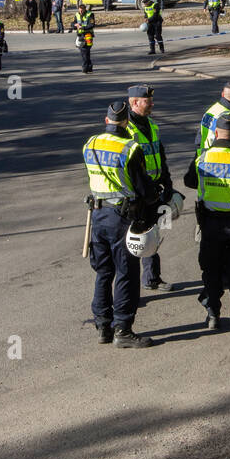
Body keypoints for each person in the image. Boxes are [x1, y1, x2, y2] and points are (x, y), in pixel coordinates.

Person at [83, 100, 162, 348]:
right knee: (126, 273)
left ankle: (103, 325)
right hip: (122, 217)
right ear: (126, 123)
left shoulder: (90, 144)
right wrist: (156, 195)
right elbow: (142, 189)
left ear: (106, 121)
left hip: (97, 215)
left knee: (104, 272)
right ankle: (123, 330)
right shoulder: (130, 148)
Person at [184, 112, 230, 331]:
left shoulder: (202, 157)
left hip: (211, 224)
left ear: (216, 133)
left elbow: (189, 181)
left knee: (212, 270)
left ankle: (213, 315)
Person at [127, 83, 174, 294]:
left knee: (152, 236)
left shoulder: (152, 125)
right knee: (133, 241)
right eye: (148, 101)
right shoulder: (126, 128)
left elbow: (160, 155)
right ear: (135, 102)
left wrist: (168, 182)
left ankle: (152, 278)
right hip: (136, 193)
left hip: (154, 189)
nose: (152, 104)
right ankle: (129, 290)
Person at [198, 79, 230, 155]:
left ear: (222, 94)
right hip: (223, 161)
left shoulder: (210, 111)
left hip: (204, 159)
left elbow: (199, 139)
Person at [71, 3, 96, 73]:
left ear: (85, 9)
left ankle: (86, 67)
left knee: (86, 51)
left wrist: (83, 27)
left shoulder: (90, 14)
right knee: (84, 52)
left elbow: (92, 24)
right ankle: (88, 66)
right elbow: (73, 23)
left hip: (88, 35)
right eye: (80, 10)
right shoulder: (77, 15)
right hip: (80, 35)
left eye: (82, 10)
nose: (81, 12)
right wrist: (75, 25)